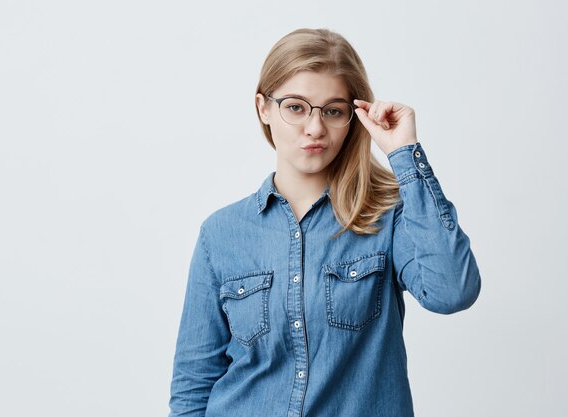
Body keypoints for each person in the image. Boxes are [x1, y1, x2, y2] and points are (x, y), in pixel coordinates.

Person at [168, 27, 481, 417]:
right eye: (296, 107)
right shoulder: (222, 233)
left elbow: (452, 291)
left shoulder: (389, 215)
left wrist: (404, 154)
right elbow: (193, 385)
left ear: (353, 117)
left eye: (333, 111)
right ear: (263, 107)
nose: (315, 128)